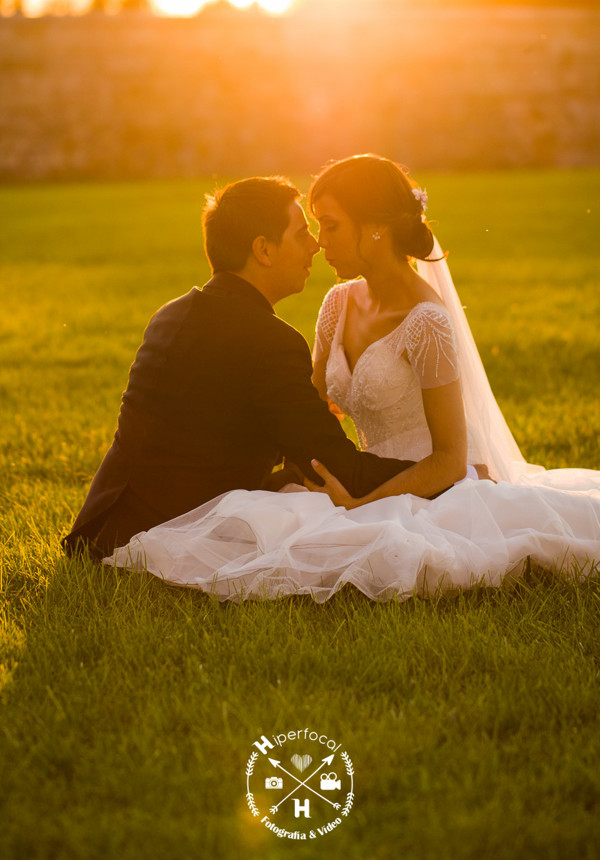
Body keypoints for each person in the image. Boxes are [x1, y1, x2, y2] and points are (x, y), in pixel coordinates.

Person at [102, 156, 599, 601]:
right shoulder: (334, 306)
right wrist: (330, 486)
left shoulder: (427, 321)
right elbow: (313, 416)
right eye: (312, 228)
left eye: (330, 225)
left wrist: (372, 501)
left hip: (424, 479)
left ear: (376, 229)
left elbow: (447, 458)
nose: (319, 242)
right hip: (354, 473)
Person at [63, 176, 432, 560]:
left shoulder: (170, 315)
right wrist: (443, 479)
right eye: (301, 233)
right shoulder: (271, 341)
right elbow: (338, 468)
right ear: (263, 250)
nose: (315, 246)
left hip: (104, 525)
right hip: (175, 536)